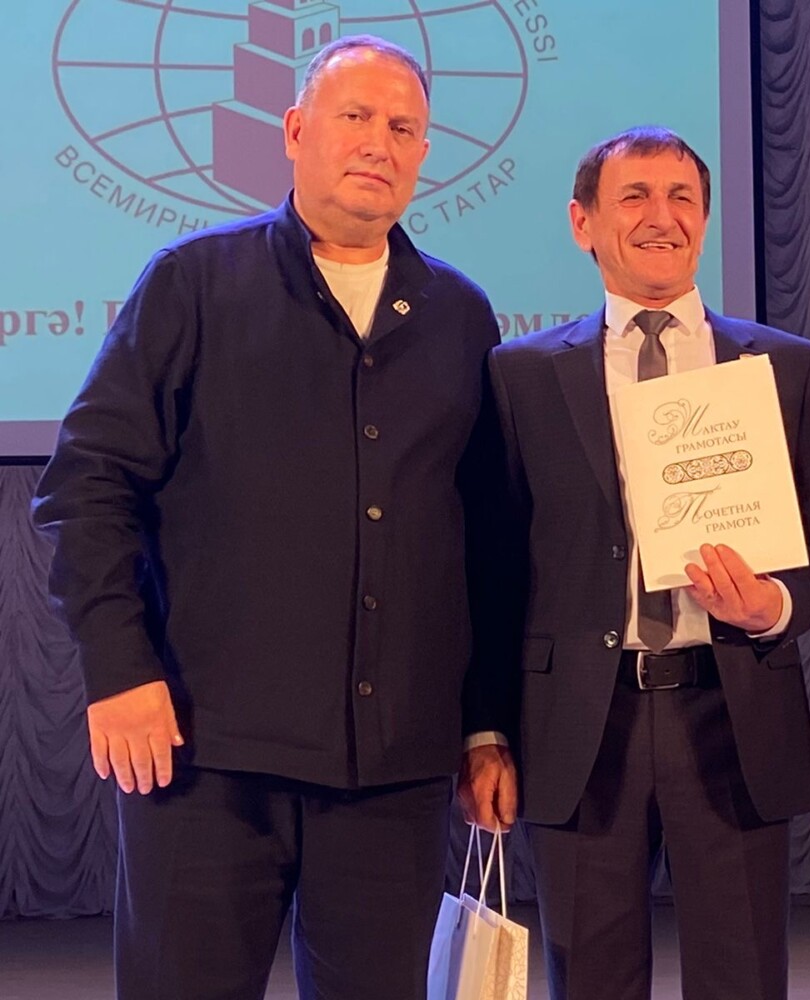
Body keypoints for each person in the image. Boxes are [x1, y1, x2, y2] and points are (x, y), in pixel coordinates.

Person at [31, 35, 507, 1000]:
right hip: (203, 758)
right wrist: (119, 670)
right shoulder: (193, 283)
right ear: (294, 131)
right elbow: (87, 485)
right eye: (355, 117)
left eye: (402, 127)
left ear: (423, 155)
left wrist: (483, 726)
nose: (378, 142)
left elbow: (487, 542)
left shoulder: (460, 315)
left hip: (394, 772)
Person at [460, 126, 810, 1000]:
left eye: (681, 198)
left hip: (731, 710)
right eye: (633, 196)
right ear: (583, 223)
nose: (660, 217)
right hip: (578, 727)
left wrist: (773, 608)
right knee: (591, 982)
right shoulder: (521, 375)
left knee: (743, 981)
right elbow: (491, 572)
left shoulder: (781, 366)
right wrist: (484, 732)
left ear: (704, 220)